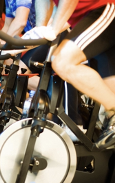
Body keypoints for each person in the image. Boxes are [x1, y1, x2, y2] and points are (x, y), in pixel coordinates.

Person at [24, 0, 115, 149]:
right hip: (88, 17)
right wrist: (41, 31)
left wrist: (53, 29)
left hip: (103, 8)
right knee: (109, 87)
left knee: (62, 62)